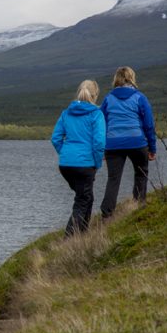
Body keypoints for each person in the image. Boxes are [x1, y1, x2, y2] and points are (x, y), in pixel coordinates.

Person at [99, 66, 156, 218]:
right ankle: (138, 205)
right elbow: (149, 124)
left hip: (113, 144)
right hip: (137, 142)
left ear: (116, 79)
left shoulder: (108, 99)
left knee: (113, 178)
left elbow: (100, 124)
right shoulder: (139, 97)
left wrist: (102, 148)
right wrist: (152, 147)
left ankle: (107, 214)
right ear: (132, 78)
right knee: (141, 173)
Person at [51, 80, 106, 236]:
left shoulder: (66, 113)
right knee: (82, 200)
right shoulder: (96, 114)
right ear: (95, 95)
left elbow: (55, 138)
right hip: (85, 164)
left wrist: (66, 154)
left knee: (86, 197)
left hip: (66, 165)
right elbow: (99, 142)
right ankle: (69, 240)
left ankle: (83, 234)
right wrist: (96, 163)